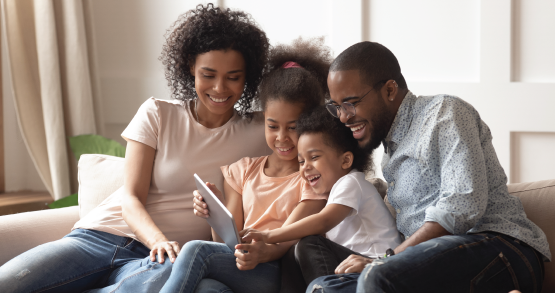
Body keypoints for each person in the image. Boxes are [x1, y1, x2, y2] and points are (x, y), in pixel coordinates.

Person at [0, 4, 271, 292]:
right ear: (190, 66)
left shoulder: (263, 132)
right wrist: (158, 241)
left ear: (247, 77)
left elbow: (306, 120)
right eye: (208, 74)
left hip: (159, 264)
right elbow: (130, 197)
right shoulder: (158, 113)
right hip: (100, 238)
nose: (219, 88)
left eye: (233, 77)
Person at [307, 41, 550, 293]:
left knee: (378, 276)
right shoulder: (390, 154)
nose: (344, 117)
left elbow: (462, 205)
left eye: (351, 102)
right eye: (337, 107)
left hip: (500, 250)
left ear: (390, 90)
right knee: (323, 288)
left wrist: (386, 259)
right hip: (433, 266)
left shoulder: (444, 113)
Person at [159, 38, 333, 293]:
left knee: (196, 250)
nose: (282, 138)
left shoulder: (313, 179)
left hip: (278, 272)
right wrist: (214, 215)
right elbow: (226, 243)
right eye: (272, 126)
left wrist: (260, 254)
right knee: (207, 289)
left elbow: (286, 240)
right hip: (241, 267)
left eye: (293, 128)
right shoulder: (243, 171)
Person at [241, 106, 403, 293]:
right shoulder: (333, 193)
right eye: (301, 161)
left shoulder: (352, 182)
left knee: (309, 243)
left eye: (314, 157)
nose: (305, 167)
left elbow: (323, 221)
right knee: (293, 252)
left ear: (345, 161)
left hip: (374, 266)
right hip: (350, 267)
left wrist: (269, 235)